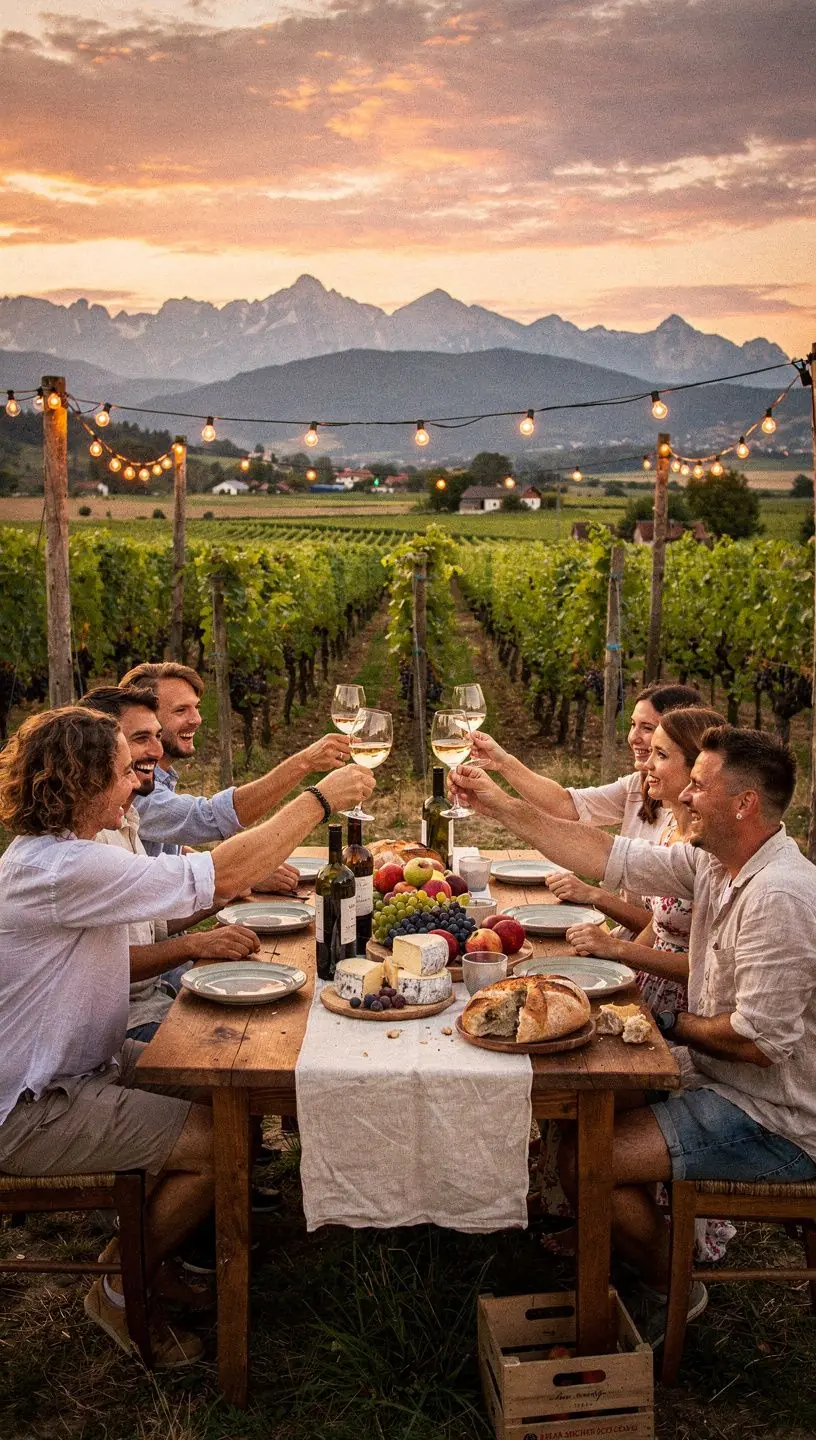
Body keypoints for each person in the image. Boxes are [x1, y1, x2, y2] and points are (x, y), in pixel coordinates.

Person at [0, 705, 373, 1364]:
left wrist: (203, 929)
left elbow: (181, 902)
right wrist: (316, 801)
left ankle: (153, 1257)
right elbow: (219, 874)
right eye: (122, 774)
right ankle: (119, 1287)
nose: (137, 785)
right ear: (83, 784)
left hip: (84, 1066)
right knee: (219, 1136)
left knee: (223, 1093)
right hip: (32, 1106)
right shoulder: (64, 869)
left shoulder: (62, 858)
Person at [451, 727, 816, 1340]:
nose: (685, 798)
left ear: (743, 804)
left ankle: (670, 1283)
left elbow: (757, 1043)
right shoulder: (717, 862)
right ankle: (635, 1251)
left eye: (699, 786)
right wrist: (497, 805)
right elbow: (607, 856)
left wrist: (661, 1024)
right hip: (721, 1079)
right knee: (581, 1106)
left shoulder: (779, 896)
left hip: (775, 1116)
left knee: (589, 1158)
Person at [78, 686, 260, 1044]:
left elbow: (152, 925)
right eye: (141, 738)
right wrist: (316, 794)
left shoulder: (125, 818)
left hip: (149, 997)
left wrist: (223, 894)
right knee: (242, 1045)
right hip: (122, 1023)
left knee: (256, 1010)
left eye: (157, 735)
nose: (158, 751)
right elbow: (109, 966)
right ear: (103, 750)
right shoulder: (86, 846)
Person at [471, 683, 702, 937]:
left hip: (639, 951)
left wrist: (596, 896)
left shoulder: (698, 830)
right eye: (633, 724)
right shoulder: (641, 785)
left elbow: (667, 927)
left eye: (647, 728)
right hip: (632, 944)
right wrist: (502, 762)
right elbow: (565, 805)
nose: (633, 737)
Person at [119, 660, 350, 869]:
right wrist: (305, 765)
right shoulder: (133, 789)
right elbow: (208, 819)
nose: (197, 719)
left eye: (196, 707)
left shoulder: (160, 778)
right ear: (145, 718)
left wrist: (242, 875)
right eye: (181, 710)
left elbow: (169, 852)